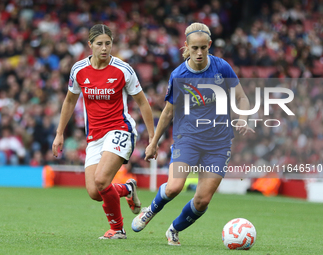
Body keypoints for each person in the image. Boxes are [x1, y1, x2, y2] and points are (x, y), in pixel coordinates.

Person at [132, 22, 254, 245]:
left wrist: (243, 118)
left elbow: (242, 98)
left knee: (202, 201)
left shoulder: (222, 68)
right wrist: (153, 143)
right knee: (175, 187)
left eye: (203, 48)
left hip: (218, 143)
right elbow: (168, 112)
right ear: (186, 46)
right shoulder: (178, 75)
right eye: (194, 48)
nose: (199, 53)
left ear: (209, 45)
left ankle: (174, 229)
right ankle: (151, 210)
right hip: (187, 138)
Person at [52, 24, 155, 239]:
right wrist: (59, 133)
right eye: (99, 44)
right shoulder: (79, 69)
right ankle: (127, 189)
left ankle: (117, 230)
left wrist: (152, 138)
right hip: (95, 136)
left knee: (101, 181)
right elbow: (70, 100)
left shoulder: (123, 70)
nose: (104, 48)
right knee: (95, 192)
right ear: (90, 45)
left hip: (120, 130)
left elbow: (143, 103)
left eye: (108, 43)